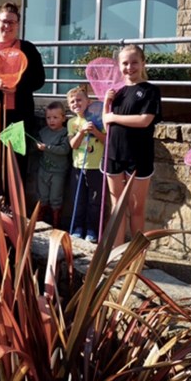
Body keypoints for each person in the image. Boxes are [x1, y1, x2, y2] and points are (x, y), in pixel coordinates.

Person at [0, 2, 45, 187]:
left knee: (16, 162)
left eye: (12, 22)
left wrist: (17, 86)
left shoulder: (28, 49)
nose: (7, 26)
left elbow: (39, 79)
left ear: (18, 24)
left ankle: (13, 209)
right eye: (4, 21)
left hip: (18, 118)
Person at [102, 45, 162, 248]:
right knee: (117, 208)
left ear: (143, 62)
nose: (130, 67)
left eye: (134, 62)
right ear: (119, 66)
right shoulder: (116, 92)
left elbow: (145, 120)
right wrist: (106, 103)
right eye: (125, 63)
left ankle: (136, 255)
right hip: (113, 154)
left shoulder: (150, 90)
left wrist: (113, 116)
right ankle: (117, 252)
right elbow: (106, 124)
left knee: (136, 209)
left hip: (138, 156)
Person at [67, 86, 106, 242]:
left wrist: (95, 131)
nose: (76, 103)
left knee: (94, 201)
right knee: (78, 200)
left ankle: (92, 230)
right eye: (72, 102)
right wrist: (82, 131)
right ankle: (77, 227)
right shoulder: (72, 122)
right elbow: (73, 145)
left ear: (88, 102)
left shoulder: (99, 118)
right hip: (78, 166)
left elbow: (106, 140)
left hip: (96, 167)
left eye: (79, 100)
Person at [36, 101, 71, 229]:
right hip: (43, 170)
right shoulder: (43, 132)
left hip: (58, 172)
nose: (51, 120)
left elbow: (64, 150)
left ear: (63, 118)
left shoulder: (65, 133)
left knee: (55, 198)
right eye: (48, 118)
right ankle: (39, 221)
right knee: (42, 196)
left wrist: (47, 148)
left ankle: (56, 223)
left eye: (55, 117)